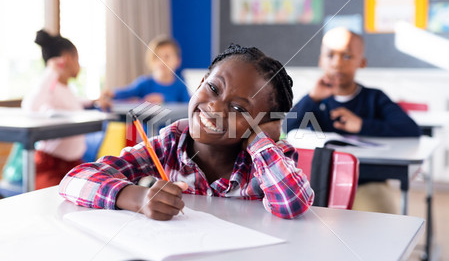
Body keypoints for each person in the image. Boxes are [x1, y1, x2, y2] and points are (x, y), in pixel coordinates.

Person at [59, 44, 314, 220]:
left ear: (261, 122)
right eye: (213, 88)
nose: (214, 106)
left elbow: (292, 203)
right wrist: (137, 198)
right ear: (201, 82)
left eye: (238, 108)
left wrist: (260, 140)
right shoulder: (168, 146)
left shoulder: (269, 157)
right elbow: (75, 180)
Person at [285, 27, 421, 213]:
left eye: (347, 56)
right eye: (330, 56)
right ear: (320, 61)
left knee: (379, 214)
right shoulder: (315, 100)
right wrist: (311, 98)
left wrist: (362, 125)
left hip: (367, 181)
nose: (337, 63)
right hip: (322, 180)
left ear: (362, 62)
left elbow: (410, 129)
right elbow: (286, 128)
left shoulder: (375, 98)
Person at [21, 29, 95, 190]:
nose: (79, 65)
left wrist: (94, 101)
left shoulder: (65, 89)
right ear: (68, 59)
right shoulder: (50, 87)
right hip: (50, 167)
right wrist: (51, 71)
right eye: (77, 59)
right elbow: (30, 107)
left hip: (73, 165)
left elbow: (73, 104)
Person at [99, 35, 190, 108]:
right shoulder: (144, 83)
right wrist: (111, 94)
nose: (161, 61)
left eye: (167, 56)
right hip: (146, 131)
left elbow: (187, 108)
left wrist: (164, 99)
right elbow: (128, 92)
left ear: (178, 61)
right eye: (157, 56)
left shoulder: (181, 86)